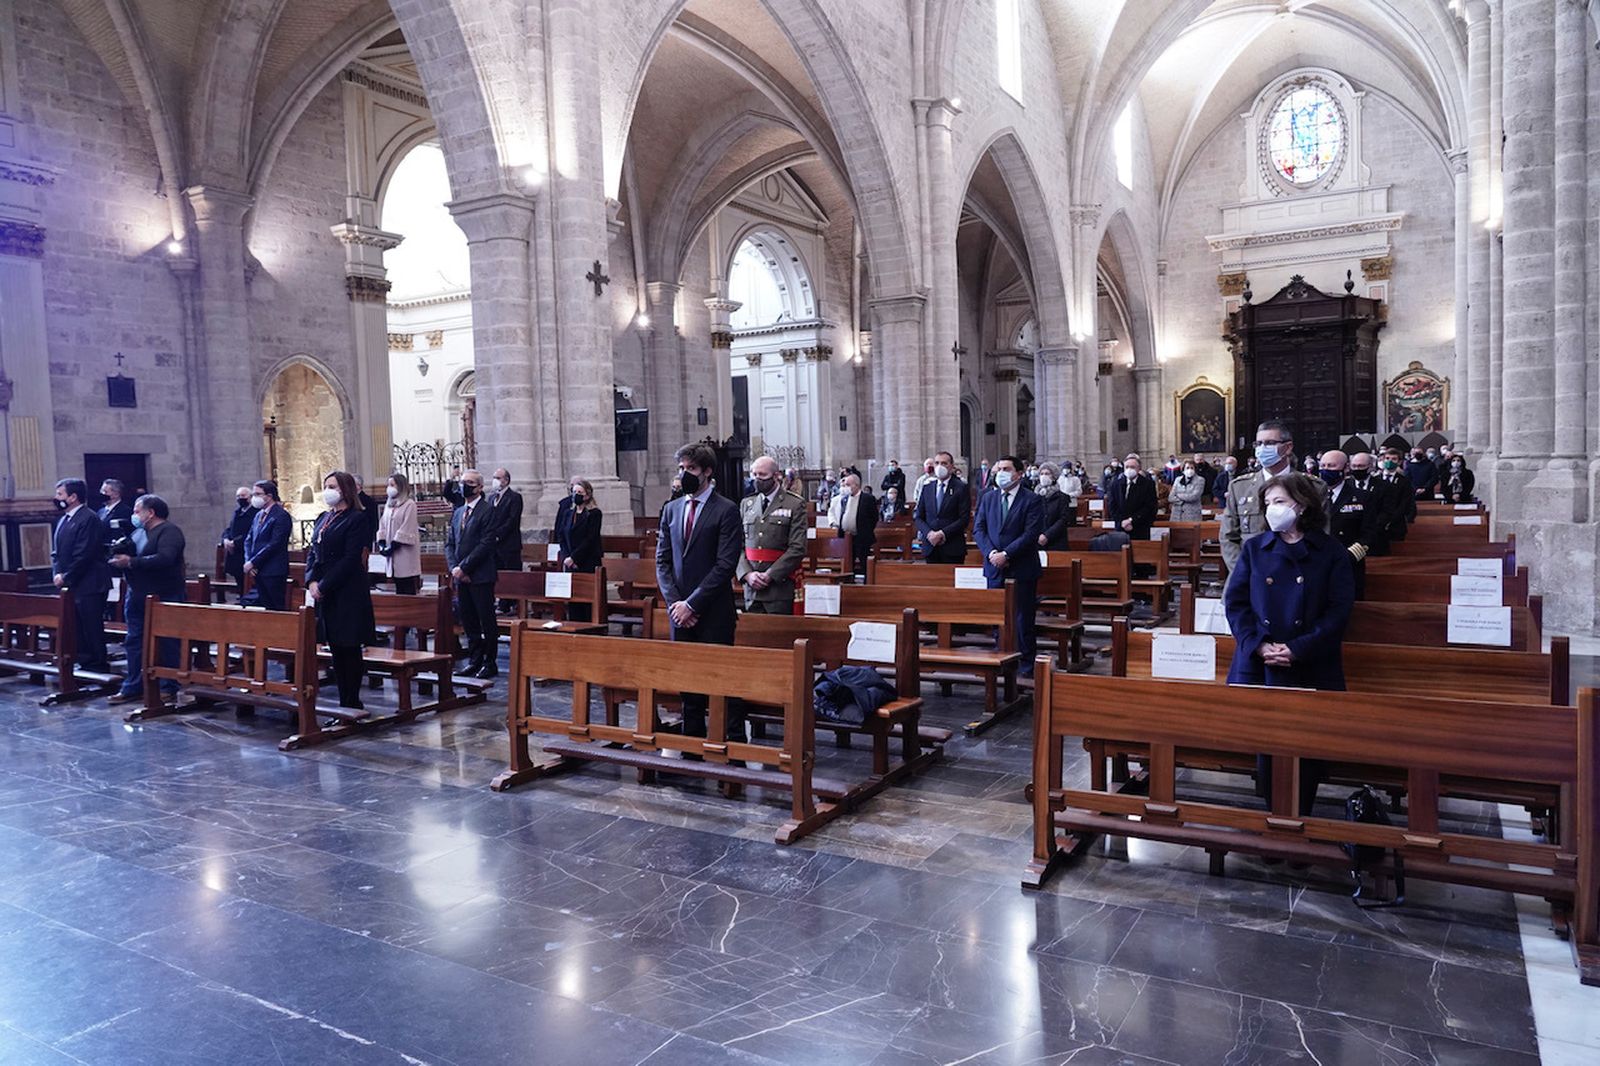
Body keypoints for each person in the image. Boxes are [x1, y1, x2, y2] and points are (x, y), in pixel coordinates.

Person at [1224, 472, 1354, 814]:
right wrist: (1259, 644)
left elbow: (1338, 610)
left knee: (1306, 747)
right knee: (1267, 747)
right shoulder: (1255, 549)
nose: (1272, 509)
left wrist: (1298, 648)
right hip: (1260, 661)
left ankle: (1298, 819)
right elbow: (1236, 604)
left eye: (1279, 502)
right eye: (1268, 503)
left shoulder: (1331, 552)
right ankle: (1276, 819)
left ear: (1302, 505)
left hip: (1310, 661)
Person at [657, 442, 743, 739]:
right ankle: (691, 744)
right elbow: (662, 562)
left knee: (722, 681)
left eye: (691, 468)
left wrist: (692, 605)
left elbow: (725, 565)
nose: (684, 474)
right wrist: (676, 605)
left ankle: (733, 747)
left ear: (707, 471)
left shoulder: (726, 510)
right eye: (681, 468)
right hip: (679, 614)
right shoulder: (671, 509)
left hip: (714, 611)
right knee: (688, 683)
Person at [305, 472, 376, 712]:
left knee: (349, 647)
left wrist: (323, 585)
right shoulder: (323, 518)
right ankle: (343, 702)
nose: (328, 490)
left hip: (347, 591)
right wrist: (311, 581)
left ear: (345, 489)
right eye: (326, 486)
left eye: (332, 486)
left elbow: (350, 559)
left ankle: (352, 702)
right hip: (326, 593)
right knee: (335, 647)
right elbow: (313, 553)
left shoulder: (357, 519)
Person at [107, 494, 184, 705]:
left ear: (151, 513)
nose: (134, 515)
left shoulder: (169, 531)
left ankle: (168, 686)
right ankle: (133, 685)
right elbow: (131, 554)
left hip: (164, 594)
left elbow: (165, 558)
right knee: (134, 641)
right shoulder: (139, 532)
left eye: (137, 511)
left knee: (167, 642)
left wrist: (131, 562)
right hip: (137, 594)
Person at [973, 457, 1044, 673]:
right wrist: (991, 553)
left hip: (1021, 567)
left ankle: (1026, 666)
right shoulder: (988, 497)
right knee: (998, 618)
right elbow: (979, 529)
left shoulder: (1032, 499)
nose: (1001, 473)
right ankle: (1002, 662)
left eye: (1006, 469)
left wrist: (1006, 554)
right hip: (994, 567)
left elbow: (1031, 533)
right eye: (999, 469)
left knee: (1023, 620)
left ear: (1019, 474)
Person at [1221, 419, 1302, 572]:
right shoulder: (1239, 487)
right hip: (1250, 572)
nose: (1262, 449)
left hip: (1296, 573)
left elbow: (1319, 536)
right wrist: (1243, 571)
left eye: (1270, 443)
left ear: (1288, 447)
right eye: (1258, 444)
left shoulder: (1310, 486)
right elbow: (1228, 537)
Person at [51, 478, 111, 674]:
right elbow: (56, 553)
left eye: (60, 494)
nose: (56, 498)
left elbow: (84, 553)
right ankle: (85, 662)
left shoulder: (89, 518)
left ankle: (97, 665)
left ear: (73, 497)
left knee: (91, 626)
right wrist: (57, 573)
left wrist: (66, 576)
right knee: (76, 626)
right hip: (72, 583)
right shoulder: (64, 519)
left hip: (90, 583)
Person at [445, 469, 500, 679]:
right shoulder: (459, 511)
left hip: (481, 575)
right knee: (468, 621)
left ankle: (490, 662)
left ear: (479, 487)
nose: (464, 486)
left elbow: (486, 544)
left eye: (469, 483)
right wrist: (455, 568)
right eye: (462, 482)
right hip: (461, 577)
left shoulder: (488, 510)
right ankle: (474, 660)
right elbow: (450, 543)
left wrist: (465, 568)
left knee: (486, 620)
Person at [737, 456, 808, 613]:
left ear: (776, 476)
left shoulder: (794, 504)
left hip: (779, 589)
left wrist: (770, 575)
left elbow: (797, 548)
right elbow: (738, 545)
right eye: (754, 474)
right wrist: (747, 574)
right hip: (751, 590)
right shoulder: (747, 504)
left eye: (762, 475)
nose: (757, 479)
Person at [1319, 450, 1380, 598]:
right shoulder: (1312, 496)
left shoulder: (1362, 497)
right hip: (1318, 563)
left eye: (1331, 466)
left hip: (1348, 563)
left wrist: (1348, 556)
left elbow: (1370, 533)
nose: (1326, 470)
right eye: (1323, 466)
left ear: (1345, 468)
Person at [241, 480, 292, 610]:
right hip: (258, 570)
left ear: (269, 496)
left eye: (258, 494)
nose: (254, 498)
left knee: (276, 607)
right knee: (265, 608)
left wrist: (253, 562)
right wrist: (249, 561)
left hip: (273, 570)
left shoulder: (281, 515)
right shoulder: (258, 515)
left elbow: (275, 543)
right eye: (253, 494)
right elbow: (248, 540)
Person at [914, 450, 971, 563]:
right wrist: (929, 534)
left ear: (952, 466)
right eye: (937, 463)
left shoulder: (961, 487)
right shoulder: (927, 488)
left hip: (952, 546)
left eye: (944, 463)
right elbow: (919, 517)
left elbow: (964, 518)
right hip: (930, 546)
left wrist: (942, 534)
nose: (940, 466)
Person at [376, 473, 422, 594]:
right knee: (397, 584)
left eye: (392, 485)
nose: (389, 488)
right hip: (391, 553)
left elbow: (407, 527)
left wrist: (393, 546)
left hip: (404, 552)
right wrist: (382, 543)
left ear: (400, 486)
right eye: (388, 485)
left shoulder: (409, 504)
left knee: (406, 585)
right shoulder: (389, 505)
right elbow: (383, 523)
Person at [827, 472, 878, 578]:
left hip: (861, 537)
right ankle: (848, 582)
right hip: (846, 537)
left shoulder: (868, 498)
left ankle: (867, 583)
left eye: (848, 485)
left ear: (856, 485)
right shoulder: (844, 499)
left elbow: (874, 517)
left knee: (864, 563)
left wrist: (866, 530)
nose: (845, 487)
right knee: (848, 564)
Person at [554, 477, 603, 573]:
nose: (576, 495)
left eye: (580, 492)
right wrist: (567, 557)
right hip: (569, 562)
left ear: (587, 495)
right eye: (574, 492)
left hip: (587, 561)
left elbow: (590, 539)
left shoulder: (594, 514)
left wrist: (574, 558)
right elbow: (561, 536)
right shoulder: (568, 513)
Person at [1106, 455, 1157, 541]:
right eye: (1127, 467)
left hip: (1140, 527)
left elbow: (1150, 507)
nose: (1129, 469)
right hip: (1121, 527)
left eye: (1132, 467)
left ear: (1139, 468)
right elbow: (1112, 505)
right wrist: (1121, 521)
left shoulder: (1148, 484)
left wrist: (1131, 520)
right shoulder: (1115, 483)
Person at [489, 466, 524, 579]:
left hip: (509, 545)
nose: (495, 480)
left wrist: (498, 535)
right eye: (494, 478)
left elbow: (512, 520)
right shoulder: (491, 498)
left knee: (511, 578)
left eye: (498, 478)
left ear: (506, 480)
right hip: (494, 546)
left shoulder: (514, 497)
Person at [1376, 447, 1416, 543]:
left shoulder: (1404, 481)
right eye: (1387, 458)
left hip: (1397, 524)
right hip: (1377, 524)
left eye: (1394, 459)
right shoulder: (1376, 479)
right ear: (1383, 460)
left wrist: (1392, 518)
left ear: (1399, 462)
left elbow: (1405, 502)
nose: (1390, 461)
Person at [1035, 463, 1075, 551]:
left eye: (1047, 473)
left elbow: (1063, 519)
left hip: (1056, 541)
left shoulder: (1062, 497)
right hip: (1037, 540)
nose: (1043, 476)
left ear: (1054, 477)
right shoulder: (1035, 496)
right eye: (1041, 474)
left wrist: (1047, 535)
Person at [219, 486, 254, 584]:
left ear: (250, 497)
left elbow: (252, 532)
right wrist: (225, 539)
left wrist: (235, 542)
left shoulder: (255, 512)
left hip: (246, 551)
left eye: (243, 495)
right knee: (238, 581)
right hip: (235, 554)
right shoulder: (237, 512)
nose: (240, 498)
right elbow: (230, 529)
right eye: (238, 496)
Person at [97, 478, 135, 550]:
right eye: (101, 491)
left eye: (105, 492)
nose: (102, 494)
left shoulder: (125, 511)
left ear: (116, 494)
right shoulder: (100, 511)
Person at [353, 476, 381, 547]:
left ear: (358, 486)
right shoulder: (351, 500)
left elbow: (373, 521)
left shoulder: (368, 501)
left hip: (364, 536)